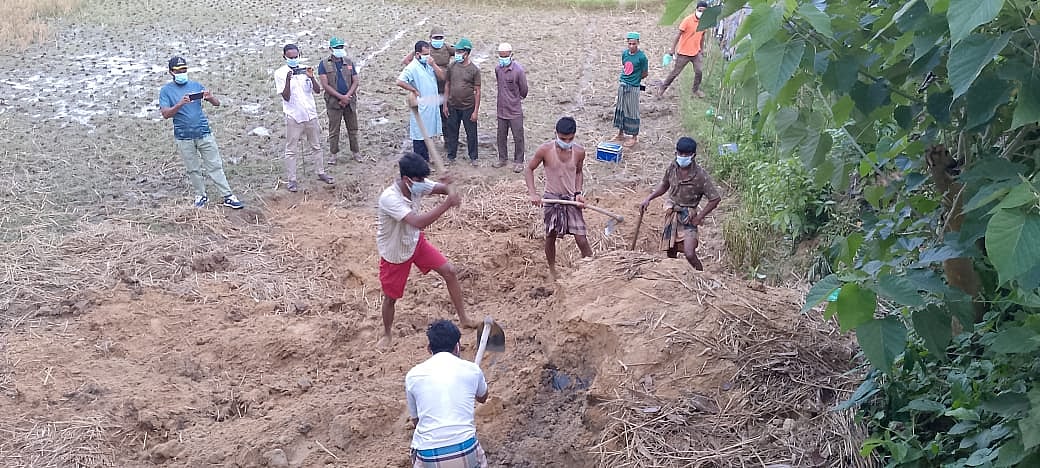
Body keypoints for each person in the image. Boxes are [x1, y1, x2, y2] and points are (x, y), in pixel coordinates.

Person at [377, 152, 476, 346]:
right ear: (406, 179)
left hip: (415, 242)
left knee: (449, 271)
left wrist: (449, 184)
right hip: (395, 252)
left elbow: (442, 189)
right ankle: (387, 333)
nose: (423, 182)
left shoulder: (416, 184)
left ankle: (464, 319)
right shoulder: (390, 198)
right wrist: (448, 203)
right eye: (419, 179)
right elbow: (418, 222)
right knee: (391, 298)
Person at [158, 56, 244, 209]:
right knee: (193, 168)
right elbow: (165, 114)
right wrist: (179, 104)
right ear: (171, 72)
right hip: (184, 137)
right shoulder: (166, 91)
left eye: (184, 69)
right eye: (178, 70)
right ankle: (201, 195)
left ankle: (228, 195)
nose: (182, 72)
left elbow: (217, 104)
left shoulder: (196, 85)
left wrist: (211, 98)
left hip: (204, 133)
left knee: (215, 165)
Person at [405, 319, 489, 468]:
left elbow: (417, 421)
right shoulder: (472, 370)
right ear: (457, 347)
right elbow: (483, 397)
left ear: (429, 348)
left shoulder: (413, 375)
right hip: (465, 449)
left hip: (428, 454)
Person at [524, 117, 592, 277]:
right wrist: (533, 193)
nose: (566, 142)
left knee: (581, 239)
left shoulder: (579, 152)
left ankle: (591, 272)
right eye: (562, 139)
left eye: (570, 139)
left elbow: (579, 172)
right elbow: (529, 169)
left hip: (571, 199)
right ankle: (553, 270)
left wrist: (578, 193)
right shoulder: (545, 150)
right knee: (551, 236)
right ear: (556, 134)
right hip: (552, 199)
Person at [640, 137, 721, 271]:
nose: (682, 157)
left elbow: (715, 199)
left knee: (689, 253)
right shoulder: (672, 167)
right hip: (672, 215)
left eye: (686, 154)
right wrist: (649, 198)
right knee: (670, 251)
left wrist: (699, 217)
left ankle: (702, 276)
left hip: (688, 217)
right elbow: (664, 185)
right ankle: (674, 277)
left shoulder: (700, 175)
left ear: (693, 155)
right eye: (680, 153)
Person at [276, 44, 334, 192]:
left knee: (316, 145)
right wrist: (288, 80)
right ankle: (292, 180)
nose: (294, 60)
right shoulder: (280, 73)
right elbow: (286, 97)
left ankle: (321, 172)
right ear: (284, 57)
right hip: (294, 116)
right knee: (291, 149)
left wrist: (311, 77)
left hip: (310, 114)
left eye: (296, 57)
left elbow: (317, 90)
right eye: (291, 57)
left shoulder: (305, 69)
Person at [397, 41, 446, 162]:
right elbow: (400, 81)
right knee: (419, 136)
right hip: (421, 105)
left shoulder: (429, 64)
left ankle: (426, 159)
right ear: (417, 54)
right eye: (425, 54)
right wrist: (413, 89)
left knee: (428, 134)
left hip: (430, 105)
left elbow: (442, 77)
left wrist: (433, 64)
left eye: (428, 53)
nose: (427, 56)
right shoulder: (412, 67)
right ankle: (421, 162)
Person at [318, 36, 363, 165]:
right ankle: (333, 155)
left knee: (353, 129)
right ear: (330, 49)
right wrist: (341, 97)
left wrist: (347, 96)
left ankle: (356, 152)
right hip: (334, 103)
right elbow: (325, 85)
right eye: (337, 47)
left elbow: (355, 81)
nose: (340, 49)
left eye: (341, 47)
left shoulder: (348, 62)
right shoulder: (324, 64)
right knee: (334, 130)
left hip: (349, 102)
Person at [442, 37, 481, 166]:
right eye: (456, 51)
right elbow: (447, 84)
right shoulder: (452, 67)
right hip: (453, 106)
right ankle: (451, 156)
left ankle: (473, 157)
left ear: (466, 53)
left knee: (471, 133)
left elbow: (477, 91)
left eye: (460, 51)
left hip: (468, 107)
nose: (457, 54)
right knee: (452, 132)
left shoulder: (474, 70)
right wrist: (445, 104)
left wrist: (475, 111)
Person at [659, 1, 709, 98]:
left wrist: (701, 49)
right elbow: (678, 35)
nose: (701, 13)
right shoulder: (687, 20)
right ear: (696, 9)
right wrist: (672, 49)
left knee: (699, 71)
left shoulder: (705, 22)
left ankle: (695, 90)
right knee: (675, 73)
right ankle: (662, 89)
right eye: (700, 10)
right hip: (684, 52)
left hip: (696, 52)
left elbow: (702, 36)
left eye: (704, 12)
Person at [492, 43, 529, 173]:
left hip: (514, 110)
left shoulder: (518, 71)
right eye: (500, 56)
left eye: (505, 56)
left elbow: (524, 90)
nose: (502, 59)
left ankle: (519, 161)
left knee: (518, 136)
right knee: (501, 136)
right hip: (501, 109)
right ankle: (502, 158)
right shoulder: (498, 69)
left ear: (511, 55)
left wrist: (515, 99)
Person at [612, 32, 649, 148]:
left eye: (634, 44)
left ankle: (634, 136)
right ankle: (620, 133)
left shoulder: (642, 57)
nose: (632, 46)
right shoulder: (624, 54)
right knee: (621, 109)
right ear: (627, 43)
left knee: (632, 111)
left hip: (633, 87)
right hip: (623, 84)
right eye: (630, 43)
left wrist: (635, 80)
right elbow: (625, 66)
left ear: (638, 43)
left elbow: (644, 73)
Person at [402, 27, 455, 94]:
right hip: (429, 80)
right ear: (430, 38)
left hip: (444, 80)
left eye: (440, 38)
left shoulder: (447, 47)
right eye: (436, 38)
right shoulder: (425, 48)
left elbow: (461, 54)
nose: (438, 40)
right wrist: (418, 71)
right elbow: (406, 60)